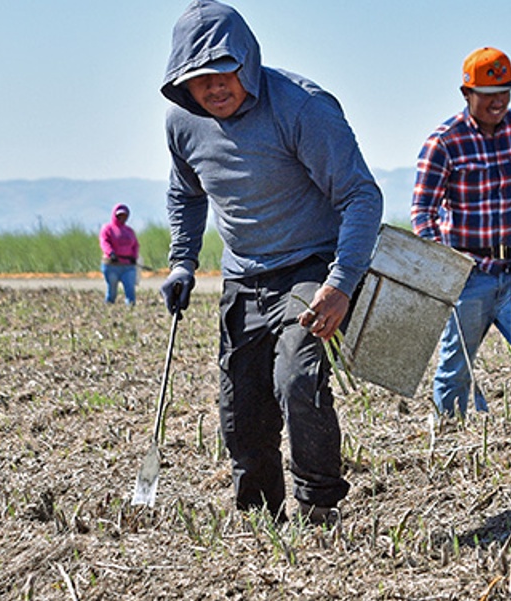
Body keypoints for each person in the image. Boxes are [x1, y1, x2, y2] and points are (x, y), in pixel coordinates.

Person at [158, 0, 383, 525]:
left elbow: (361, 196)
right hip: (243, 275)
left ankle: (319, 506)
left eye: (223, 72)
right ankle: (261, 516)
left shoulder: (301, 107)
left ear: (246, 61)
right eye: (198, 79)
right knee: (241, 407)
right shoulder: (182, 123)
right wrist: (182, 263)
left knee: (297, 378)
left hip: (312, 267)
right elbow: (185, 194)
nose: (213, 88)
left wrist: (341, 282)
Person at [411, 47, 511, 424]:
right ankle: (448, 434)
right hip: (469, 274)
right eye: (488, 93)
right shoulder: (444, 143)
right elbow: (422, 213)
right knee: (456, 364)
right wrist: (444, 266)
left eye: (505, 92)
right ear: (467, 94)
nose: (498, 101)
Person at [99, 203, 139, 305]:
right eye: (120, 215)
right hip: (112, 265)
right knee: (112, 291)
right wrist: (111, 253)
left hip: (128, 266)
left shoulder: (129, 231)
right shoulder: (107, 229)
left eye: (124, 215)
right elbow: (104, 242)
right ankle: (108, 306)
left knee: (130, 289)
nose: (122, 218)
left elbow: (135, 245)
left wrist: (134, 257)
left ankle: (130, 307)